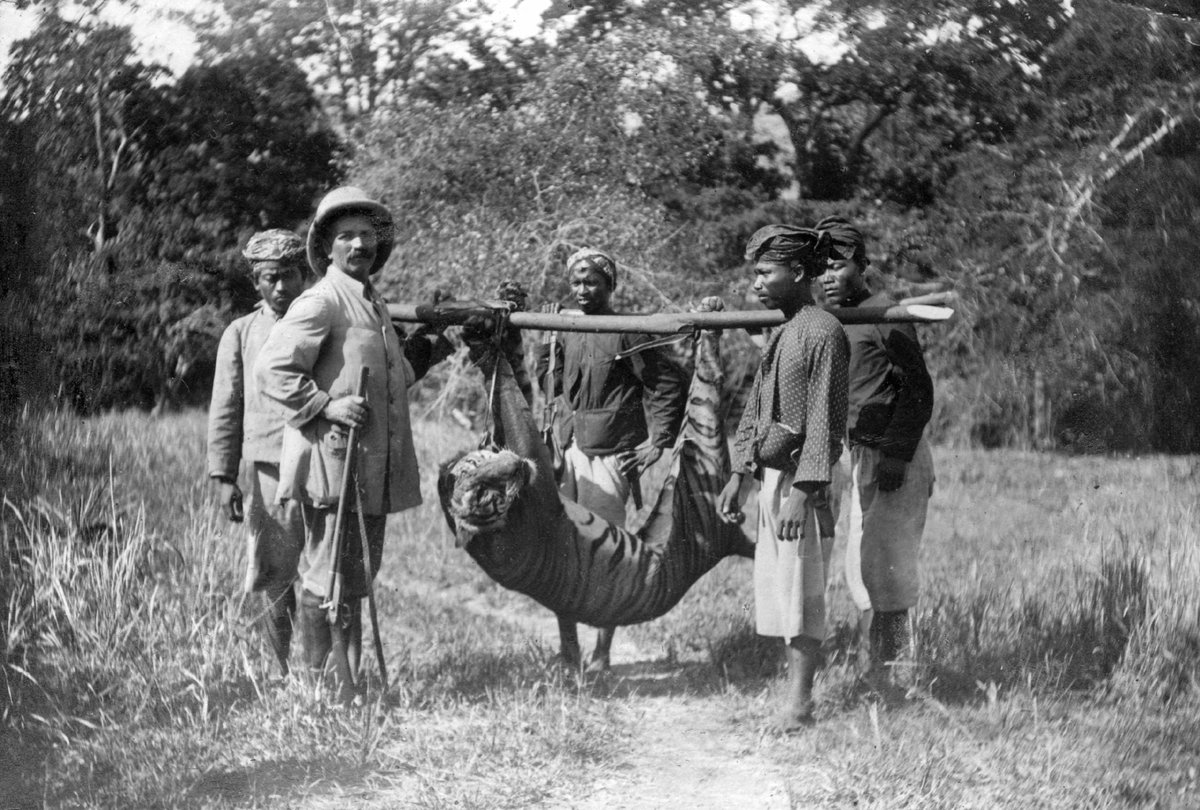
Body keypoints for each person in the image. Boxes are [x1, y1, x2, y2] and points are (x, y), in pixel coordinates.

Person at [254, 186, 452, 701]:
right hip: (333, 466)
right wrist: (325, 405)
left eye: (367, 235)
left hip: (371, 469)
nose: (359, 244)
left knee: (356, 579)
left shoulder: (373, 304)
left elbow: (392, 376)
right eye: (346, 236)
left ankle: (349, 685)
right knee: (326, 578)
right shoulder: (322, 300)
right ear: (327, 245)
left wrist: (435, 344)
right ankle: (322, 691)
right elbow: (272, 369)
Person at [718, 225, 849, 732]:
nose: (756, 283)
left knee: (802, 588)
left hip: (803, 480)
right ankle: (792, 696)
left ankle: (799, 705)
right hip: (775, 476)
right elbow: (755, 409)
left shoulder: (822, 331)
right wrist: (740, 473)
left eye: (765, 273)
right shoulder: (784, 330)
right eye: (755, 273)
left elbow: (825, 419)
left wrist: (804, 490)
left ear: (797, 273)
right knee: (780, 585)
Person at [536, 248, 687, 671]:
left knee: (605, 552)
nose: (582, 290)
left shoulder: (627, 330)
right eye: (576, 282)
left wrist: (658, 441)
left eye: (592, 282)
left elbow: (665, 382)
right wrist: (547, 337)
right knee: (563, 550)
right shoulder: (566, 327)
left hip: (610, 454)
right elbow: (550, 382)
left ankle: (602, 652)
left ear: (610, 285)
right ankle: (569, 650)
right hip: (569, 450)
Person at [815, 215, 935, 689]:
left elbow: (918, 390)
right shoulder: (830, 319)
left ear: (861, 266)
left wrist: (896, 454)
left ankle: (891, 677)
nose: (828, 277)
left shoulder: (885, 314)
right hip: (859, 454)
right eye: (821, 268)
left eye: (837, 266)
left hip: (893, 457)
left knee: (887, 570)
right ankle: (877, 674)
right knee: (862, 568)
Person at [207, 229, 310, 677]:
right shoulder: (242, 333)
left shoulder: (324, 322)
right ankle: (279, 669)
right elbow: (226, 407)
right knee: (274, 572)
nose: (282, 287)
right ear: (256, 282)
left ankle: (327, 670)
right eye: (271, 278)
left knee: (329, 571)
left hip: (324, 462)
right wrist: (223, 476)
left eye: (290, 275)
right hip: (269, 468)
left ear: (305, 275)